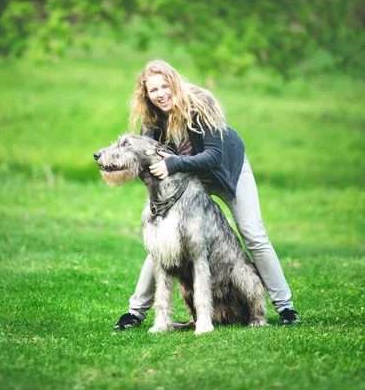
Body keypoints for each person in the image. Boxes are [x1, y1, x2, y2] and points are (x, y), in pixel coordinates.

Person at [114, 60, 301, 330]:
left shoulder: (200, 103)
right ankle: (135, 313)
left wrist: (173, 164)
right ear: (146, 94)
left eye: (165, 86)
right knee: (163, 242)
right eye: (153, 90)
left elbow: (213, 156)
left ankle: (285, 308)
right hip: (189, 179)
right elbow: (148, 157)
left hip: (226, 171)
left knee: (253, 234)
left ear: (175, 83)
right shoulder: (152, 120)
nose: (161, 93)